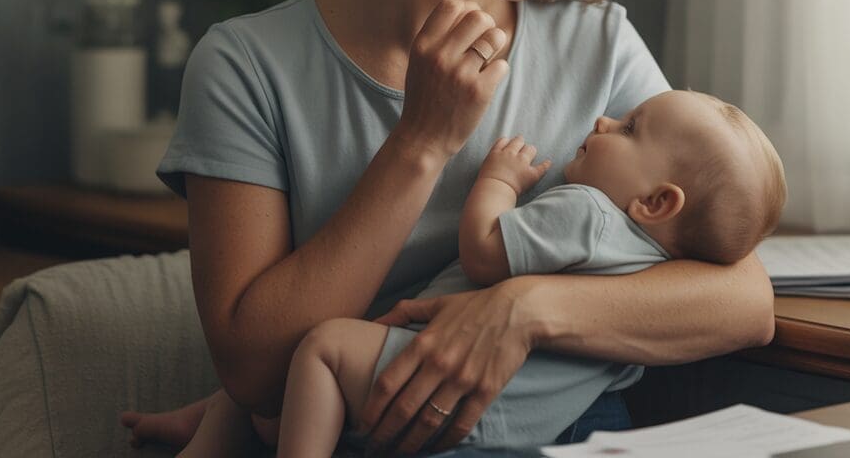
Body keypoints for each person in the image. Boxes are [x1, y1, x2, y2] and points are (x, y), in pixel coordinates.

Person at [121, 0, 777, 457]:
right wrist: (423, 141)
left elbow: (741, 299)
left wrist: (523, 308)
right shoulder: (246, 67)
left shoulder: (595, 43)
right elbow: (259, 370)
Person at [273, 89, 785, 456]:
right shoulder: (657, 270)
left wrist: (499, 182)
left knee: (319, 349)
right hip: (523, 422)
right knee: (269, 406)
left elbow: (483, 251)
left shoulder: (589, 212)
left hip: (442, 384)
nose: (604, 121)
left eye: (629, 128)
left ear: (654, 202)